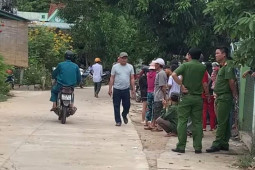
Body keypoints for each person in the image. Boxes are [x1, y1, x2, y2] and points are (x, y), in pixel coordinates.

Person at [171, 48, 206, 154]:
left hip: (186, 97)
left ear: (189, 55)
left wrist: (181, 86)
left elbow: (173, 75)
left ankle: (181, 146)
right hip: (198, 97)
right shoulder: (202, 67)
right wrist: (207, 93)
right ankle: (198, 147)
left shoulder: (185, 65)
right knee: (197, 122)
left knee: (182, 121)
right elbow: (204, 83)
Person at [206, 47, 237, 153]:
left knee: (221, 121)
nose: (216, 55)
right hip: (221, 96)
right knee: (225, 121)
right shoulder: (222, 66)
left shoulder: (228, 66)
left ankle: (217, 143)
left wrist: (234, 94)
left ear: (224, 54)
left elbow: (231, 81)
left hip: (225, 96)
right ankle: (224, 142)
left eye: (218, 53)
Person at [108, 52, 135, 126]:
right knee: (116, 105)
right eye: (122, 58)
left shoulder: (130, 67)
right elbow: (112, 77)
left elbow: (132, 78)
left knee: (127, 105)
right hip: (117, 89)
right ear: (119, 58)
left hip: (126, 89)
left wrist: (133, 89)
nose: (124, 59)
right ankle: (118, 121)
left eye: (125, 58)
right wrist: (110, 89)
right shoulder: (115, 67)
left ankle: (124, 114)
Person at [152, 58, 168, 132]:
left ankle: (159, 127)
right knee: (157, 111)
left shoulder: (161, 73)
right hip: (158, 95)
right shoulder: (159, 73)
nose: (154, 65)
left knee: (158, 111)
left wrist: (164, 97)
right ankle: (157, 126)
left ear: (158, 65)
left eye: (155, 64)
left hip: (159, 96)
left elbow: (163, 87)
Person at [144, 61, 157, 128]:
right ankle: (152, 122)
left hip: (148, 92)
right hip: (154, 92)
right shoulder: (156, 74)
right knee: (154, 108)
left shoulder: (148, 74)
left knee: (149, 108)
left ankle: (146, 121)